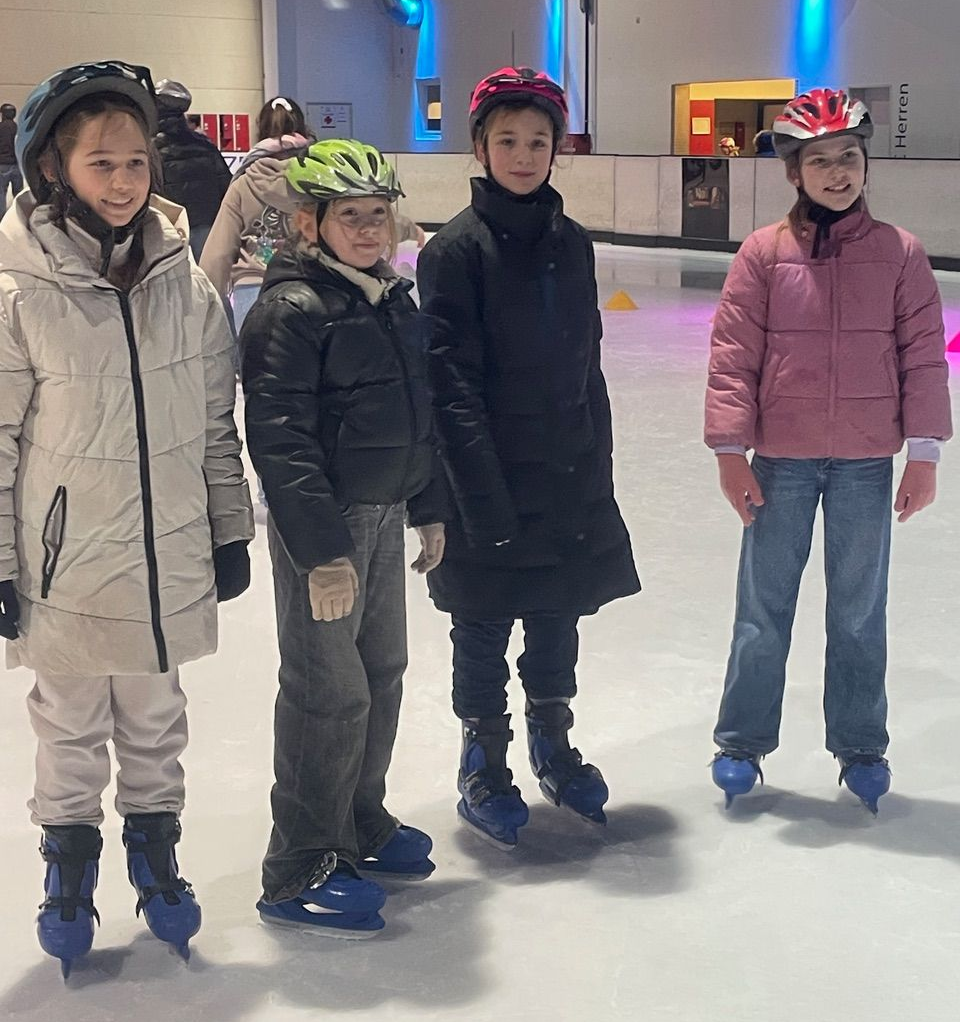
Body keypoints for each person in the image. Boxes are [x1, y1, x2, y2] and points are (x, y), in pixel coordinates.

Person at [0, 61, 254, 975]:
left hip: (165, 552)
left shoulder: (185, 284)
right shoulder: (17, 292)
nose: (122, 181)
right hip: (65, 562)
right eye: (100, 163)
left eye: (136, 162)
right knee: (69, 727)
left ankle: (156, 854)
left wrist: (229, 525)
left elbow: (214, 419)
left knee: (155, 719)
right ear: (53, 170)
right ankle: (68, 867)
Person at [704, 88, 952, 814]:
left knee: (858, 610)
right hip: (780, 461)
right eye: (820, 161)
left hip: (866, 464)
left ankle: (861, 744)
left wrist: (925, 453)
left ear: (865, 163)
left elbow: (923, 359)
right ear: (794, 172)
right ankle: (742, 741)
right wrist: (729, 450)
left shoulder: (900, 254)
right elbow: (733, 357)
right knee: (763, 607)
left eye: (849, 157)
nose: (838, 172)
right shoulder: (763, 254)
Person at [416, 67, 640, 850]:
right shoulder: (454, 252)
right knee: (481, 627)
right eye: (507, 140)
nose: (522, 155)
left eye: (537, 142)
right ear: (479, 148)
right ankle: (483, 759)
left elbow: (587, 365)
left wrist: (596, 464)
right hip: (484, 477)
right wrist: (479, 498)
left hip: (565, 470)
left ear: (556, 151)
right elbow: (450, 387)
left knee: (556, 615)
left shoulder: (572, 244)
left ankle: (553, 738)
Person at [241, 139, 447, 937]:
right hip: (325, 528)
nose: (368, 229)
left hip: (385, 513)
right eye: (350, 216)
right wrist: (321, 553)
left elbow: (417, 411)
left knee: (381, 673)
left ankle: (357, 819)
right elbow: (281, 440)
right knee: (327, 691)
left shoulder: (390, 298)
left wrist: (428, 505)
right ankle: (299, 862)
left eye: (378, 214)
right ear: (309, 224)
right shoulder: (292, 311)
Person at [199, 96, 311, 332]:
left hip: (251, 288)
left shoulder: (244, 182)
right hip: (308, 283)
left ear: (260, 130)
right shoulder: (319, 182)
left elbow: (218, 253)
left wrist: (206, 305)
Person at [153, 79, 231, 260]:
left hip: (169, 228)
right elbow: (227, 187)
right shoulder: (206, 146)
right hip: (207, 227)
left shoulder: (148, 151)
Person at [0, 103, 24, 205]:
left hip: (2, 164)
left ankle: (1, 214)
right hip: (16, 164)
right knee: (18, 194)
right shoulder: (19, 128)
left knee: (1, 193)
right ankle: (19, 213)